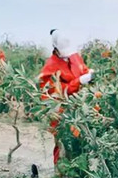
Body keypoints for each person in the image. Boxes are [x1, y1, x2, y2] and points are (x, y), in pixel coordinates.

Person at [38, 29, 94, 165]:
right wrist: (78, 82)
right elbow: (54, 93)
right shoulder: (50, 67)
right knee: (64, 143)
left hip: (80, 107)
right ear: (56, 49)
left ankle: (80, 175)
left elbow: (83, 69)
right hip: (62, 112)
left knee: (83, 143)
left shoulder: (74, 57)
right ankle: (62, 177)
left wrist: (89, 74)